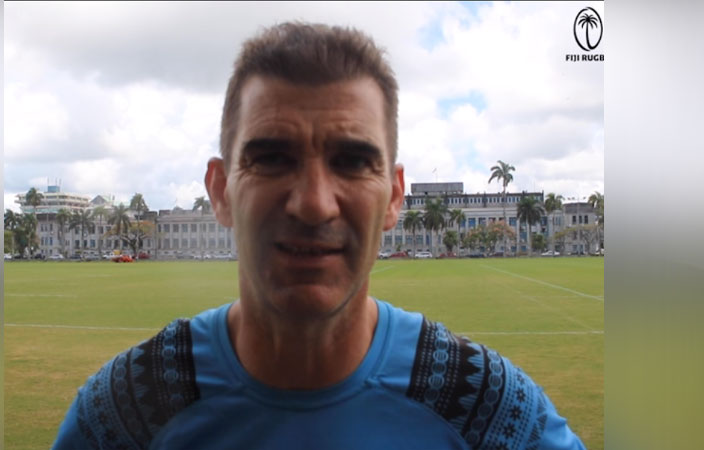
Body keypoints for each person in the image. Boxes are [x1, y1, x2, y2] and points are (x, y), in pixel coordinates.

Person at [53, 22, 585, 450]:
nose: (313, 203)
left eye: (352, 162)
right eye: (272, 158)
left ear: (394, 197)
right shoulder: (124, 414)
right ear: (220, 191)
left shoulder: (486, 409)